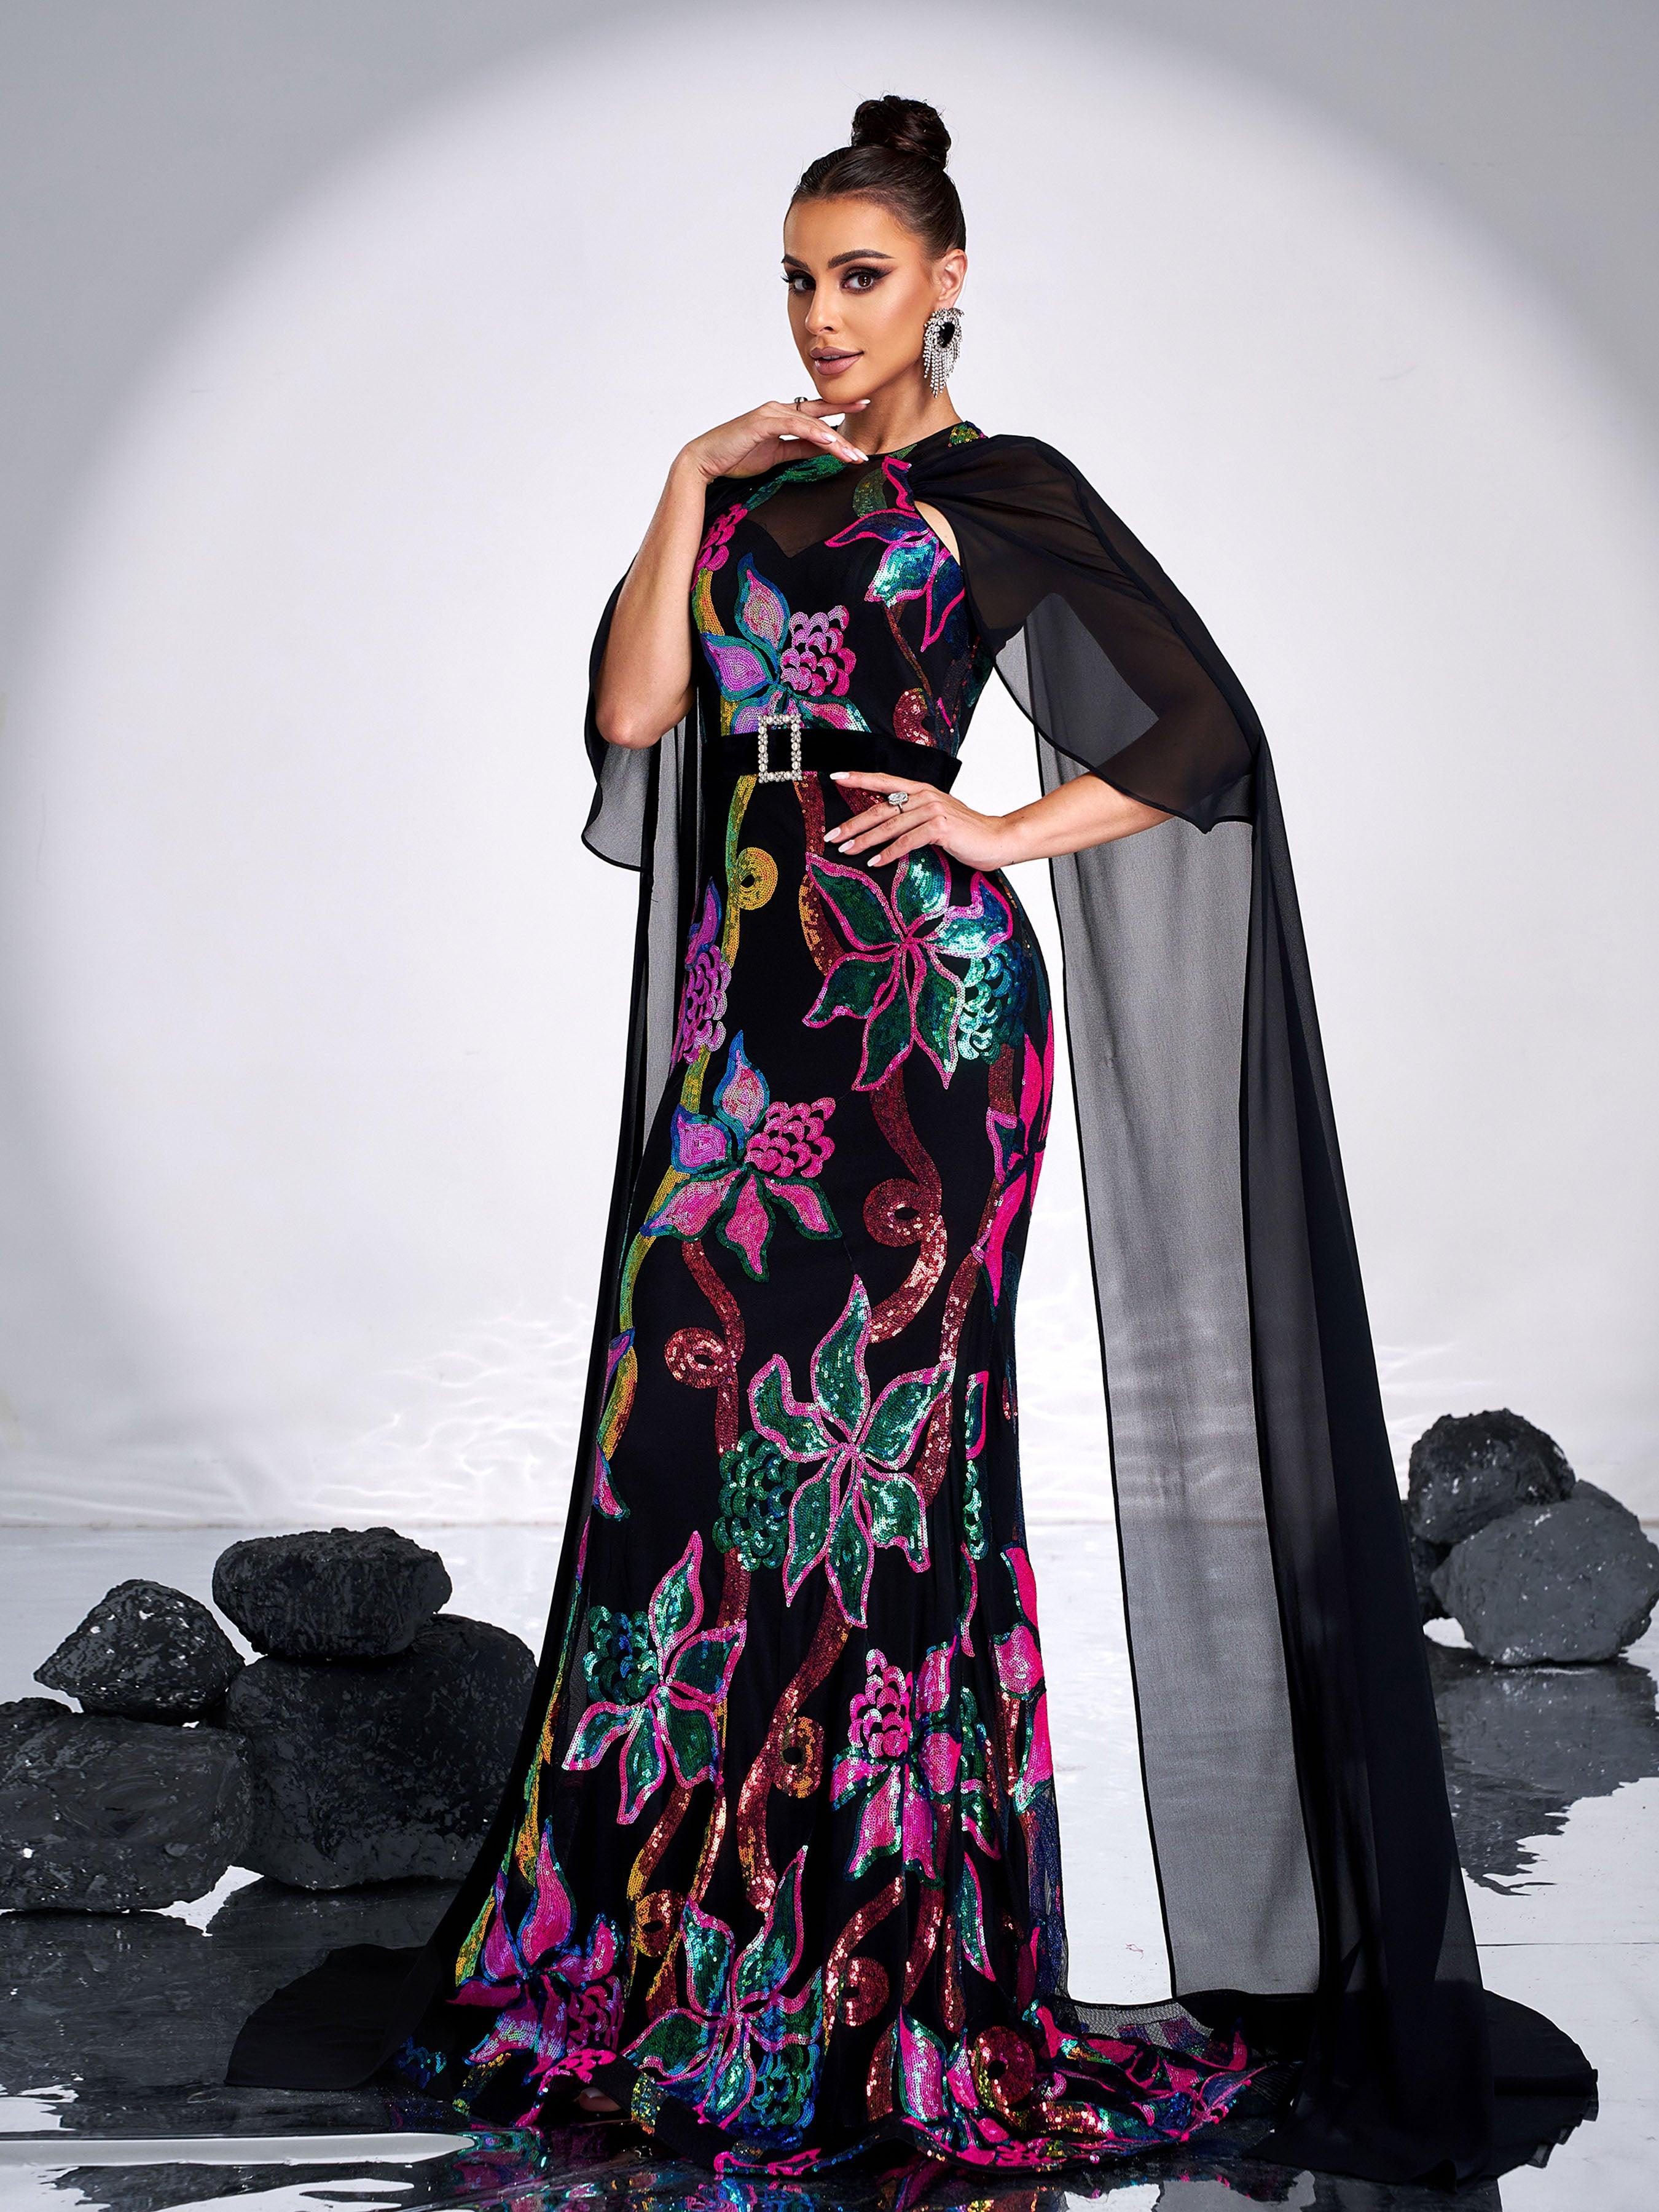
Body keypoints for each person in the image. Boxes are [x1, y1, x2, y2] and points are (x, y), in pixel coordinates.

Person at [227, 93, 1594, 2186]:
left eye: (859, 277)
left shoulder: (999, 493)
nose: (822, 315)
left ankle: (877, 1966)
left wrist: (995, 825)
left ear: (948, 281)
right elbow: (632, 717)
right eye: (797, 280)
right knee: (678, 1457)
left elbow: (1203, 732)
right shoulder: (747, 488)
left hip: (926, 1031)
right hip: (749, 1025)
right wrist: (684, 477)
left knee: (881, 1486)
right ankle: (674, 1949)